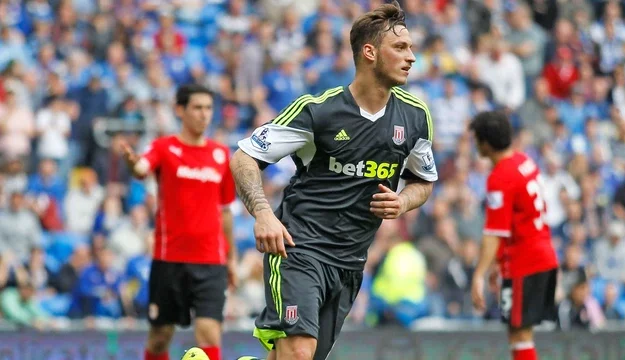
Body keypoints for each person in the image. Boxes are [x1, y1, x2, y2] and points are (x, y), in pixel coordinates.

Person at [230, 2, 437, 359]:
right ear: (369, 52)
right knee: (298, 353)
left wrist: (403, 201)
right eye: (401, 48)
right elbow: (244, 156)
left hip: (350, 264)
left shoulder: (415, 117)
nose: (412, 57)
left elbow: (423, 181)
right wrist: (263, 213)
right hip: (299, 249)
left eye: (411, 48)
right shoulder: (319, 110)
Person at [123, 84, 238, 360]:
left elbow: (225, 211)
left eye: (209, 108)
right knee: (161, 337)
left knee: (209, 333)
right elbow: (141, 168)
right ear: (180, 110)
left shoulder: (221, 154)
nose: (204, 115)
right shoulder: (164, 148)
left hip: (211, 260)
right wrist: (132, 163)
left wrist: (231, 258)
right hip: (170, 258)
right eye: (197, 108)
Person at [469, 110, 559, 360]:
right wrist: (499, 262)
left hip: (525, 261)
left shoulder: (500, 177)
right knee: (521, 334)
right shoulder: (525, 161)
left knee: (519, 335)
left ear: (485, 143)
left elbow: (494, 232)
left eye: (476, 139)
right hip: (543, 254)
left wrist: (479, 274)